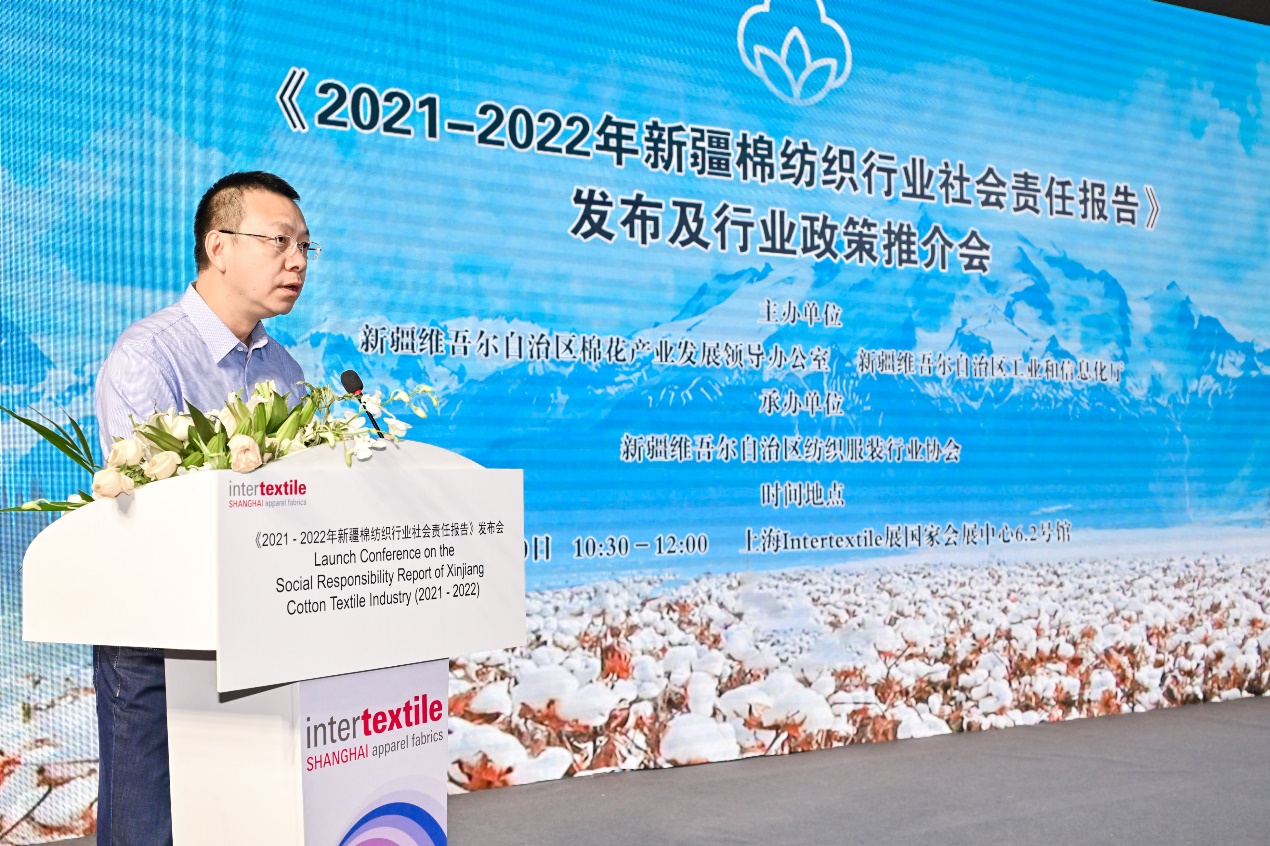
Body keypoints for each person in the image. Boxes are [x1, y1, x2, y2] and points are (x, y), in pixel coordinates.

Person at [92, 171, 316, 844]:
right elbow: (152, 508)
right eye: (280, 241)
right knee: (150, 828)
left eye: (305, 246)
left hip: (254, 633)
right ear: (219, 247)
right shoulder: (149, 355)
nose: (298, 261)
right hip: (157, 642)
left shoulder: (284, 371)